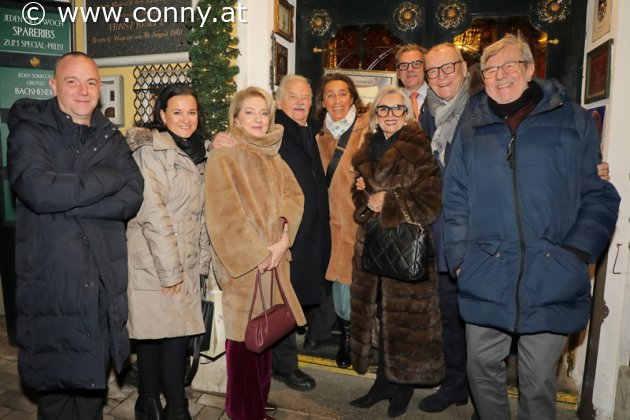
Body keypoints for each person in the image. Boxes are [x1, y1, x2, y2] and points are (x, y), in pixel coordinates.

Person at [442, 34, 620, 420]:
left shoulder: (572, 119)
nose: (500, 75)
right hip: (485, 271)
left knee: (538, 382)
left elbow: (599, 195)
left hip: (551, 272)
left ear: (529, 69)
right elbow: (454, 197)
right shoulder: (471, 126)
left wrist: (576, 253)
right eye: (490, 70)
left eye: (509, 65)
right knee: (480, 370)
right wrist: (459, 259)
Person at [6, 52, 144, 419]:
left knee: (91, 390)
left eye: (91, 83)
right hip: (53, 281)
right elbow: (39, 190)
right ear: (54, 85)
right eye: (72, 81)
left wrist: (70, 202)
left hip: (101, 281)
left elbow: (133, 195)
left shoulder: (110, 137)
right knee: (55, 392)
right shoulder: (30, 130)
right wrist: (107, 179)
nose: (83, 90)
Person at [204, 86, 306, 420]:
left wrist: (284, 239)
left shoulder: (272, 154)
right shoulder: (225, 155)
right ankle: (242, 410)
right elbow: (223, 217)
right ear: (236, 118)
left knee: (266, 334)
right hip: (246, 267)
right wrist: (259, 255)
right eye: (249, 113)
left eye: (263, 113)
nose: (258, 119)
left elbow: (295, 196)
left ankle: (257, 401)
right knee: (243, 342)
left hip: (275, 260)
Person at [349, 86, 445, 418]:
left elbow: (431, 203)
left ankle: (403, 387)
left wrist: (389, 200)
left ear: (407, 114)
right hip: (373, 247)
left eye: (397, 109)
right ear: (375, 115)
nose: (390, 115)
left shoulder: (419, 149)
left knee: (403, 324)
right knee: (379, 318)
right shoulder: (365, 150)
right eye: (383, 109)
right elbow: (360, 201)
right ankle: (382, 383)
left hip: (406, 249)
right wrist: (363, 194)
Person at [125, 84, 210, 420]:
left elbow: (200, 215)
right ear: (162, 115)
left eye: (192, 112)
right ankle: (157, 402)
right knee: (153, 335)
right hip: (154, 259)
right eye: (177, 112)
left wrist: (201, 264)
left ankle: (170, 404)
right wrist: (170, 272)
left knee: (175, 336)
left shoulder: (199, 152)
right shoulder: (151, 152)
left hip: (183, 259)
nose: (186, 119)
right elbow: (152, 212)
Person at [417, 42, 483, 413]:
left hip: (480, 232)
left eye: (448, 67)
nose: (441, 77)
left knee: (482, 319)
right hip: (440, 233)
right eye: (433, 71)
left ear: (463, 67)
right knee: (449, 317)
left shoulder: (484, 104)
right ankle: (455, 385)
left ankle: (483, 395)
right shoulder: (427, 113)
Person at [270, 75, 331, 391]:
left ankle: (281, 363)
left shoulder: (308, 131)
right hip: (289, 234)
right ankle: (285, 367)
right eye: (293, 96)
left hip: (311, 233)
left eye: (305, 97)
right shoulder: (274, 133)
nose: (300, 102)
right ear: (279, 101)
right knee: (284, 302)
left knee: (296, 299)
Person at [312, 73, 371, 368]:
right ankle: (346, 336)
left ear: (353, 98)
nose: (337, 100)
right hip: (330, 225)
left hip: (360, 223)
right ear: (322, 102)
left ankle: (355, 339)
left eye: (342, 93)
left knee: (353, 285)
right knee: (338, 284)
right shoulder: (318, 135)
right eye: (330, 95)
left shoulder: (368, 128)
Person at [396, 44, 429, 119]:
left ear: (425, 68)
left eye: (416, 64)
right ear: (398, 73)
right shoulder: (392, 101)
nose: (410, 70)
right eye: (404, 65)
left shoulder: (440, 97)